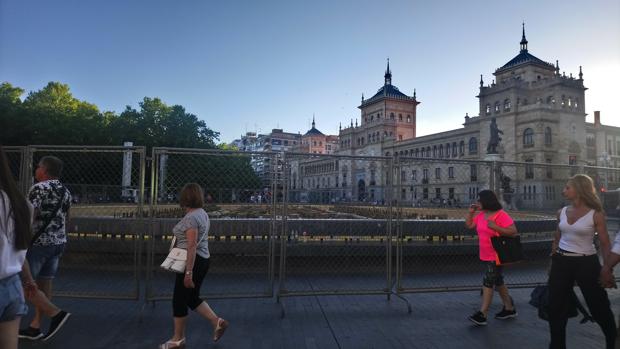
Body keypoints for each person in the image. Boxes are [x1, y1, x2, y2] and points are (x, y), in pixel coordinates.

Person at [548, 174, 616, 349]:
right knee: (555, 307)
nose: (564, 190)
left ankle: (612, 339)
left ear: (579, 189)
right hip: (561, 262)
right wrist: (552, 260)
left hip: (586, 263)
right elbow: (557, 237)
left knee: (597, 304)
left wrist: (607, 268)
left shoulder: (596, 214)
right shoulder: (561, 212)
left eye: (567, 187)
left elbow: (605, 242)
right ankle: (556, 345)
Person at [160, 183, 228, 349]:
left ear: (185, 198)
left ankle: (178, 339)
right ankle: (216, 321)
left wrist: (188, 272)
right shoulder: (202, 213)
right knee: (191, 297)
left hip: (192, 261)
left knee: (179, 300)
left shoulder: (191, 218)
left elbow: (191, 245)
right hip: (203, 259)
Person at [19, 156, 72, 340]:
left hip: (39, 243)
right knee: (45, 282)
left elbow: (30, 216)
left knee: (25, 282)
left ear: (45, 170)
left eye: (38, 167)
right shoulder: (65, 191)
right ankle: (36, 324)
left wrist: (22, 241)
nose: (36, 170)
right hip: (58, 242)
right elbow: (66, 218)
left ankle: (54, 314)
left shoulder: (38, 189)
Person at [465, 189, 518, 326]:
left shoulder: (501, 215)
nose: (477, 203)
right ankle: (509, 308)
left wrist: (496, 227)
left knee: (488, 281)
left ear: (486, 201)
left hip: (497, 254)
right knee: (498, 281)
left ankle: (482, 314)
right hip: (485, 253)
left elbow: (513, 232)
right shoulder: (482, 215)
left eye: (479, 200)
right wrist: (471, 213)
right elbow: (470, 225)